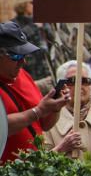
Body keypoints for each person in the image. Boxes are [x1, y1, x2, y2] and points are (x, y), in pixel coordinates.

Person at [1, 21, 68, 164]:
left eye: (25, 55)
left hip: (33, 171)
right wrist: (39, 110)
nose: (23, 62)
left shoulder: (23, 75)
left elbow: (44, 124)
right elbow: (2, 127)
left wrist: (55, 108)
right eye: (17, 56)